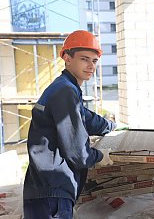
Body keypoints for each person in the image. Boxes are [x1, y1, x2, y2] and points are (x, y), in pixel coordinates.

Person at [23, 30, 116, 219]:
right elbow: (78, 153)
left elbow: (85, 117)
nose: (91, 66)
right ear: (67, 57)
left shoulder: (65, 87)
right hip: (52, 193)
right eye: (84, 59)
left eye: (94, 61)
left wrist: (111, 125)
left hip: (46, 189)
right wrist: (99, 156)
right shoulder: (65, 91)